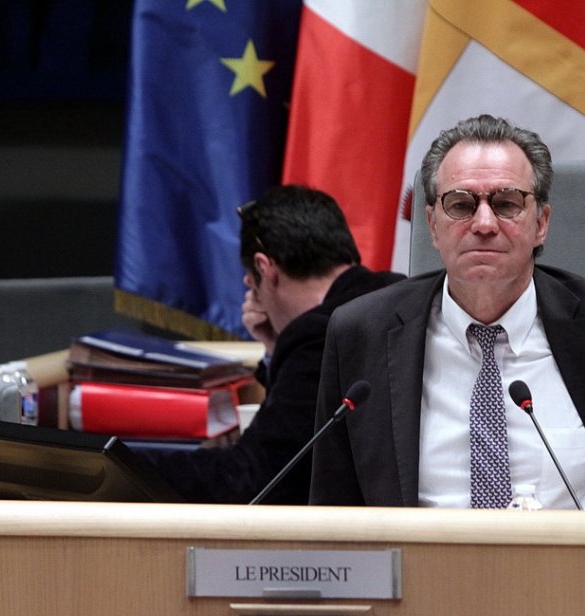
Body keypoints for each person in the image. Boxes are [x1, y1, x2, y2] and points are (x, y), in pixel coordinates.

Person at [309, 114, 585, 509]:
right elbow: (333, 506)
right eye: (461, 205)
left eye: (506, 204)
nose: (484, 224)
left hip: (579, 582)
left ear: (540, 222)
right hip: (420, 587)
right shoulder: (361, 333)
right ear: (432, 224)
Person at [143, 184, 404, 504]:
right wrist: (274, 347)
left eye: (252, 282)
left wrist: (128, 463)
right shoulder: (396, 294)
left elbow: (254, 478)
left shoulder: (317, 334)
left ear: (264, 268)